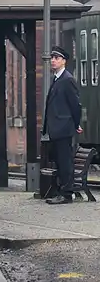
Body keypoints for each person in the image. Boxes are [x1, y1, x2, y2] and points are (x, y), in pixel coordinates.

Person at [43, 45, 83, 205]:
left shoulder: (67, 80)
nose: (53, 60)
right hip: (56, 128)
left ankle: (66, 193)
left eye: (57, 58)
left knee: (65, 161)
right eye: (52, 57)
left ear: (64, 61)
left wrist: (76, 123)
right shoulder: (57, 79)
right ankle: (61, 190)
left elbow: (75, 105)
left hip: (63, 127)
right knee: (60, 161)